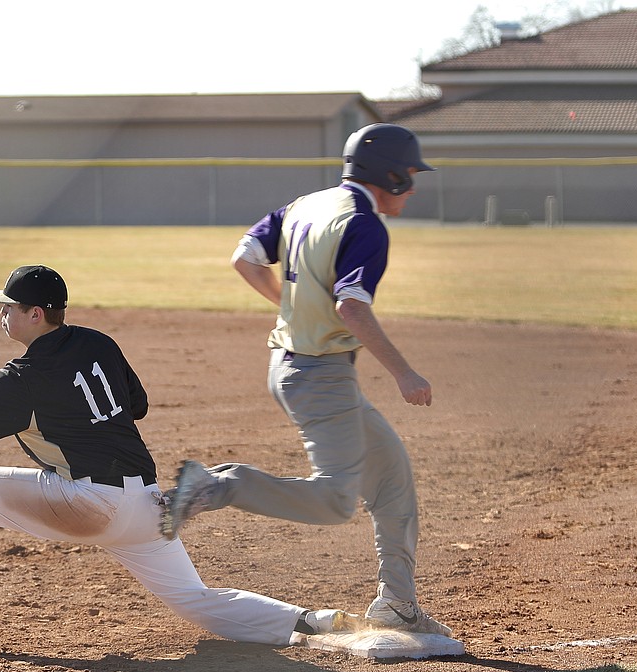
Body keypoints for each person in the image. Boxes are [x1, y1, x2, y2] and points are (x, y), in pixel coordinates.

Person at [0, 265, 353, 646]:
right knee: (196, 600)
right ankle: (312, 621)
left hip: (90, 505)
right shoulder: (97, 342)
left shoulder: (24, 379)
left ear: (35, 314)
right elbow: (139, 405)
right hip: (147, 506)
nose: (2, 314)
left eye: (8, 307)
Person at [162, 123, 453, 638]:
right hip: (321, 375)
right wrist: (405, 373)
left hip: (294, 366)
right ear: (390, 175)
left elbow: (245, 258)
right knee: (337, 500)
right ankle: (218, 487)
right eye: (409, 173)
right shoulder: (364, 225)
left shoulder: (307, 204)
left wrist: (293, 309)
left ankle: (398, 604)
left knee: (392, 479)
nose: (414, 182)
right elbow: (351, 306)